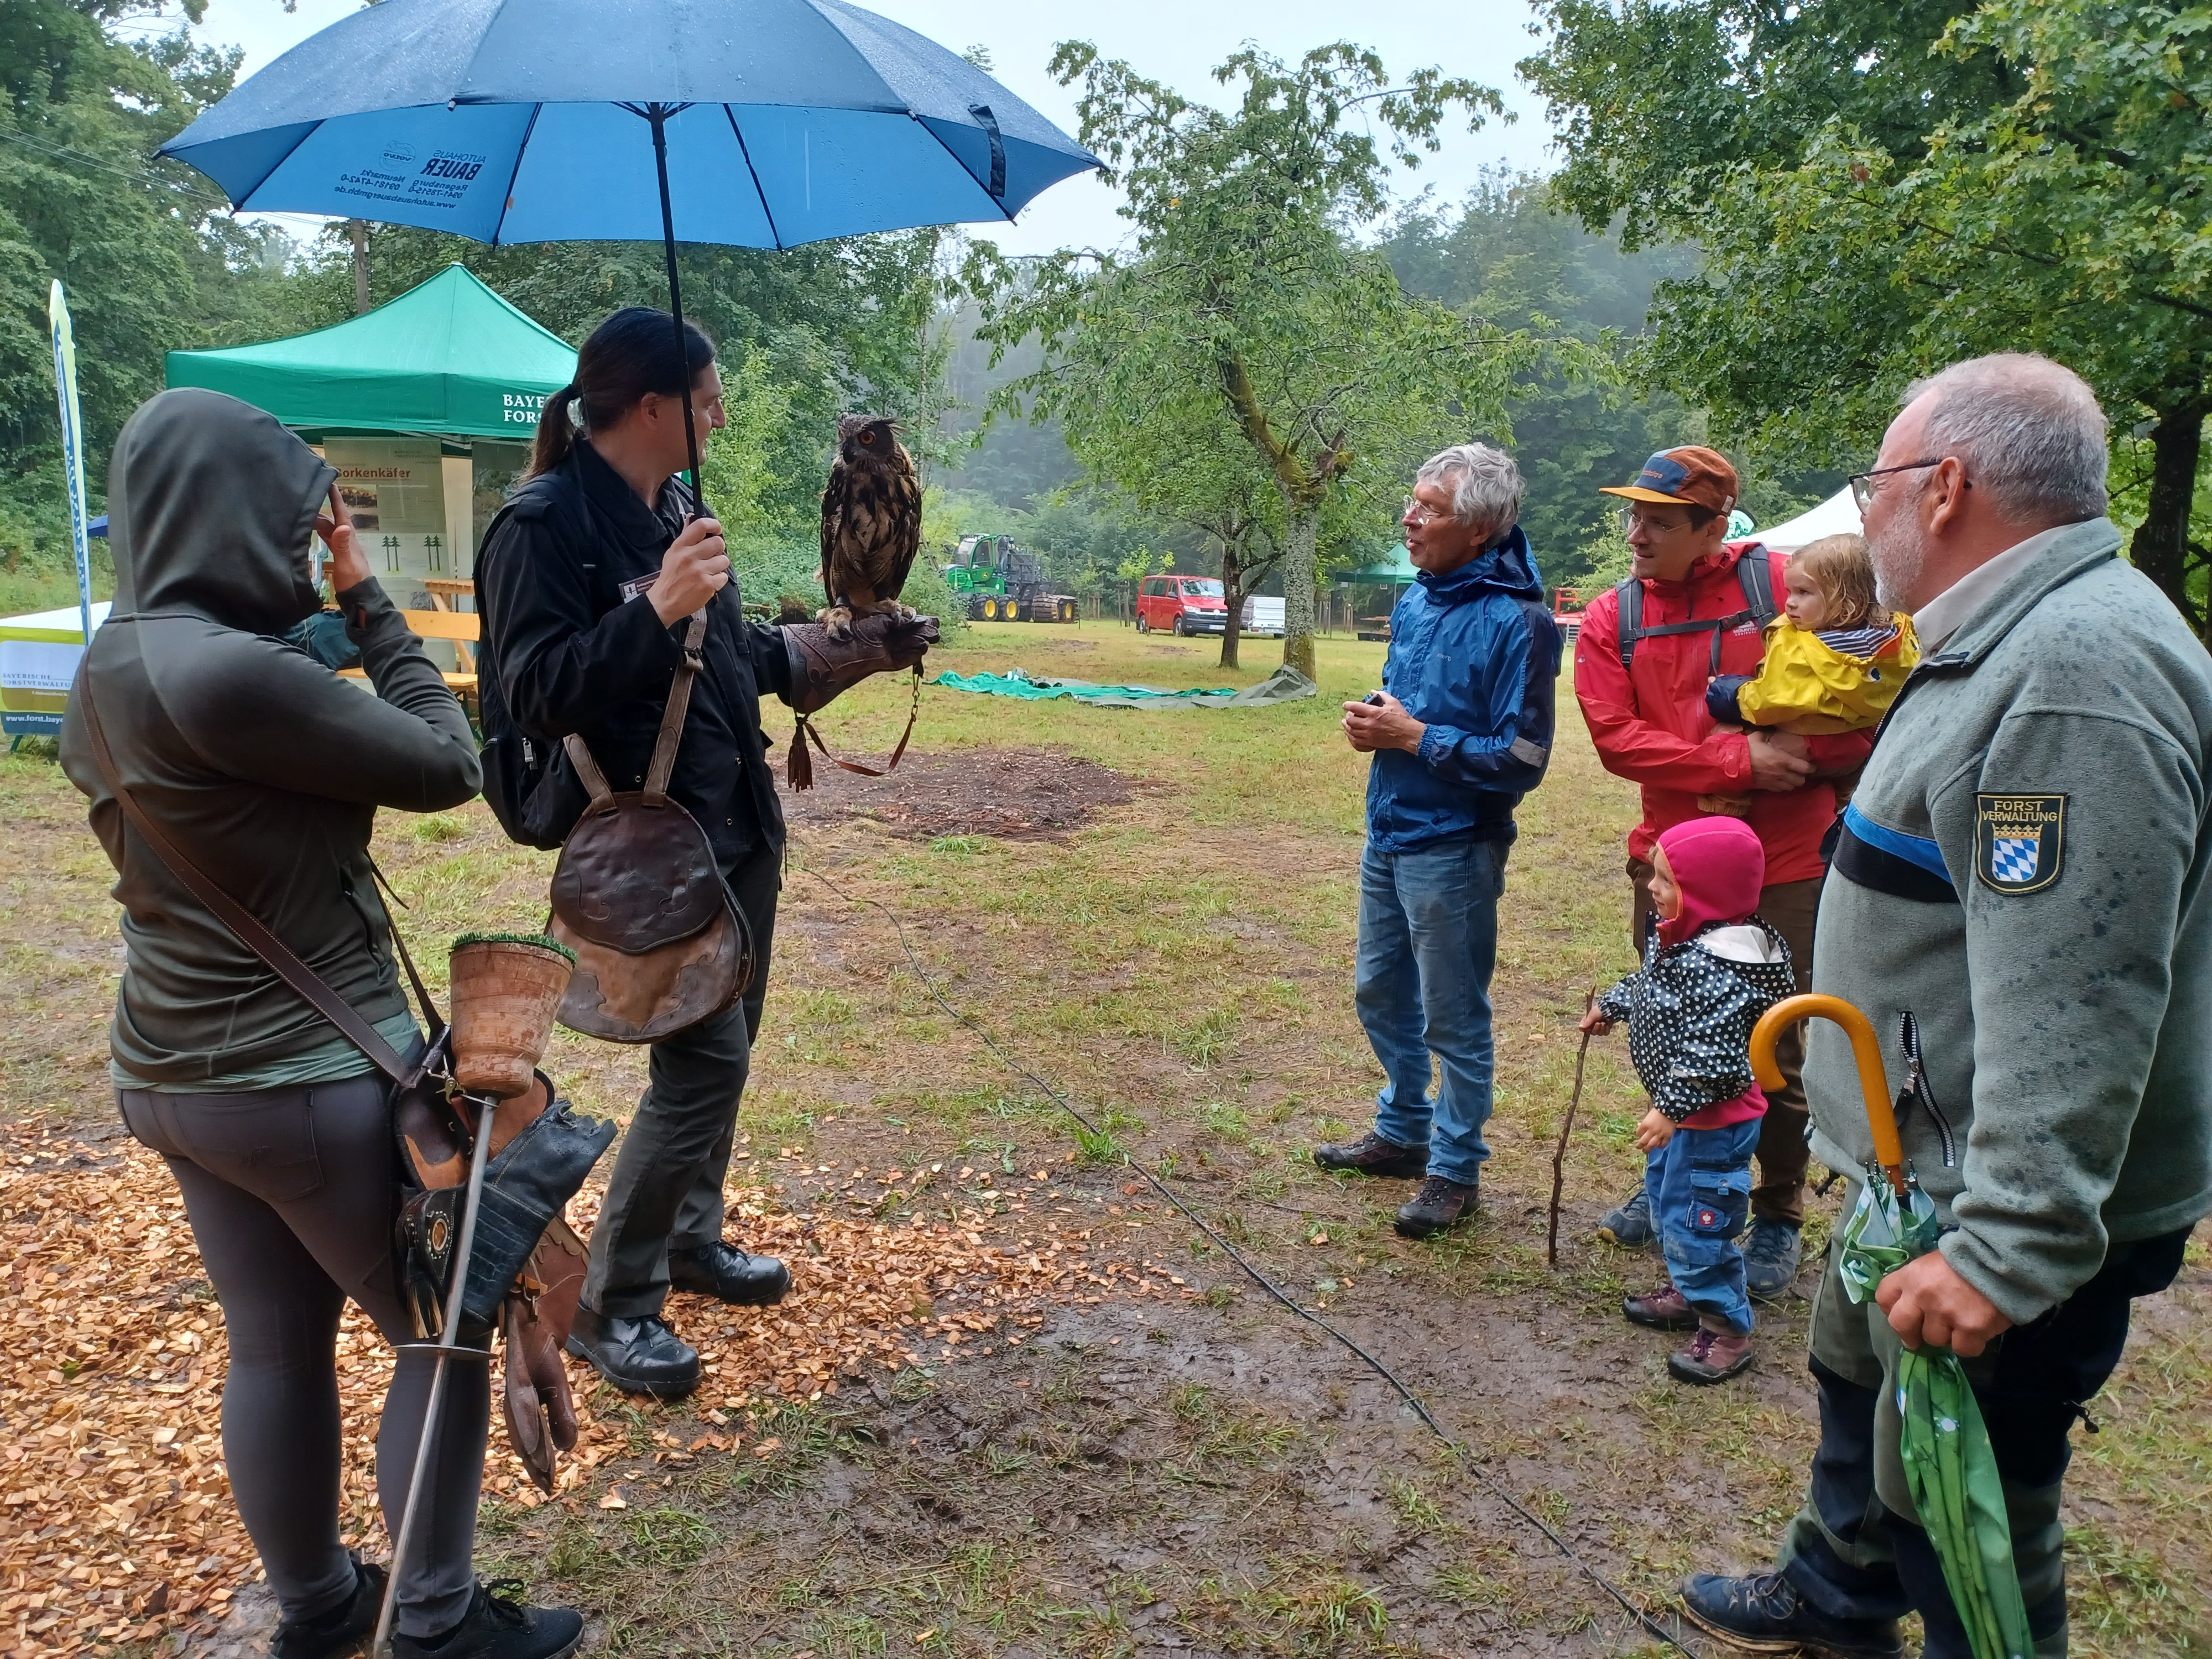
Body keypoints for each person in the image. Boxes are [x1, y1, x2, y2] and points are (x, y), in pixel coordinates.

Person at [1681, 354, 2212, 1659]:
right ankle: (1833, 1592)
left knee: (1964, 1502)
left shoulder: (2070, 676)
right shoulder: (2004, 631)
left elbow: (2080, 989)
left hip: (1987, 1197)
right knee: (1853, 1378)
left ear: (1949, 484)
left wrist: (2003, 1251)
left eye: (1874, 483)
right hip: (1916, 1162)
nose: (1862, 515)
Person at [60, 389, 581, 1658]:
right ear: (230, 515)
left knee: (275, 1346)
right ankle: (439, 1621)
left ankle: (315, 1603)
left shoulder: (112, 663)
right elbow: (443, 759)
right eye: (297, 527)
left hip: (176, 1077)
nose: (308, 546)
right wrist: (363, 597)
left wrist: (311, 617)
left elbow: (265, 726)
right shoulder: (234, 673)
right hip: (301, 1080)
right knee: (440, 1330)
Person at [476, 308, 927, 1398]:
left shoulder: (675, 505)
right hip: (645, 846)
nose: (721, 413)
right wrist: (659, 604)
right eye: (710, 397)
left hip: (733, 825)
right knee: (704, 1061)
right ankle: (609, 1304)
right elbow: (529, 694)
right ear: (651, 408)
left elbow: (732, 656)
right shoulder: (540, 527)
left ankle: (688, 1235)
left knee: (728, 1050)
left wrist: (853, 645)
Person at [1573, 447, 1874, 1294]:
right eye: (1634, 516)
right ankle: (1670, 1182)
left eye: (1659, 521)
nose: (1638, 533)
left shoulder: (1787, 585)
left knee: (1773, 1047)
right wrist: (1737, 762)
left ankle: (1775, 1215)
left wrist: (1807, 758)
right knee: (1671, 1032)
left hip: (1786, 869)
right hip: (1671, 874)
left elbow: (1869, 700)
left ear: (1714, 526)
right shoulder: (1611, 617)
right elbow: (1615, 740)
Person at [1313, 444, 1561, 1238]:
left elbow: (1521, 760)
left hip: (1456, 846)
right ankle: (1403, 1130)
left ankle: (1455, 1169)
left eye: (1430, 508)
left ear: (1481, 529)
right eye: (1411, 501)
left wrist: (1414, 737)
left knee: (1453, 1015)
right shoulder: (1419, 601)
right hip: (1389, 831)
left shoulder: (1523, 623)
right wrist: (1380, 725)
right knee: (1379, 992)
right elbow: (1410, 709)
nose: (1410, 518)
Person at [1580, 817, 1794, 1384]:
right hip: (1681, 1121)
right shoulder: (1683, 939)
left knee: (1699, 1222)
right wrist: (1614, 1003)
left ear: (1708, 894)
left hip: (1710, 1123)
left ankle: (1727, 1330)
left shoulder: (1727, 969)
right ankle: (1687, 1290)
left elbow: (1714, 1057)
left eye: (1667, 880)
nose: (1652, 887)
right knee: (1668, 1204)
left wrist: (1670, 1108)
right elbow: (1650, 983)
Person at [1698, 533, 1918, 814]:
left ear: (1845, 599)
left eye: (1804, 593)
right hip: (1861, 743)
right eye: (1790, 592)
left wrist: (1733, 696)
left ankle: (1725, 808)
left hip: (1808, 741)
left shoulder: (1801, 648)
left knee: (1723, 739)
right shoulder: (1897, 635)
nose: (1790, 603)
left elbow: (1772, 702)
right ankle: (1847, 798)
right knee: (1851, 783)